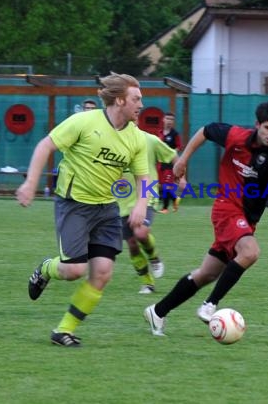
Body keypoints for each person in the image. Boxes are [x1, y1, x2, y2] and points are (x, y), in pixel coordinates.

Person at [16, 72, 150, 347]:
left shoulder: (137, 138)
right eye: (136, 99)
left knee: (102, 273)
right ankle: (45, 269)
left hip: (106, 209)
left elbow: (143, 178)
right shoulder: (84, 122)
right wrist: (31, 182)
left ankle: (64, 330)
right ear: (120, 99)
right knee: (74, 270)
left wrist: (141, 203)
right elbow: (46, 145)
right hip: (74, 204)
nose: (141, 104)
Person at [144, 100, 268, 336]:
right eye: (267, 128)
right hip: (226, 208)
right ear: (257, 125)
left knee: (207, 273)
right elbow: (205, 131)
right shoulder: (236, 136)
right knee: (250, 252)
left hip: (247, 220)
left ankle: (158, 311)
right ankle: (210, 305)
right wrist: (183, 159)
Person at [117, 130, 180, 294]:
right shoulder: (112, 140)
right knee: (131, 245)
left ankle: (154, 258)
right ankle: (147, 283)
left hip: (147, 192)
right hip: (122, 199)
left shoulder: (149, 140)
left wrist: (181, 176)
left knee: (141, 233)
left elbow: (172, 155)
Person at [158, 112, 182, 213]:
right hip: (160, 164)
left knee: (166, 186)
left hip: (170, 165)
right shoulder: (159, 133)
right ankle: (173, 201)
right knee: (162, 186)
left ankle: (166, 207)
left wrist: (171, 154)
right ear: (163, 120)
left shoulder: (175, 134)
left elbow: (179, 147)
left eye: (171, 119)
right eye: (168, 119)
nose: (169, 121)